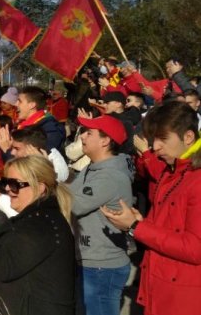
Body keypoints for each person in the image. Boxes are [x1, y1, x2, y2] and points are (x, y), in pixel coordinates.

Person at [101, 101, 201, 315]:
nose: (155, 147)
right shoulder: (172, 170)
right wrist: (140, 223)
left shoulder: (196, 179)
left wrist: (137, 226)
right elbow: (169, 228)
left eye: (163, 139)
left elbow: (195, 248)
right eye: (153, 139)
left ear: (188, 137)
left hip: (182, 298)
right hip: (160, 287)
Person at [0, 155, 75, 315]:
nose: (7, 188)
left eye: (14, 184)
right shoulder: (37, 217)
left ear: (39, 188)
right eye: (7, 182)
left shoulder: (40, 226)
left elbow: (2, 265)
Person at [67, 115, 133, 315]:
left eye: (89, 133)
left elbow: (72, 205)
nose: (82, 137)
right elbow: (69, 194)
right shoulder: (93, 167)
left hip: (101, 266)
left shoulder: (110, 176)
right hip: (91, 260)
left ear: (105, 141)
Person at [16, 86, 65, 152]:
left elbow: (37, 160)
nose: (16, 104)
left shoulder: (49, 129)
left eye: (19, 101)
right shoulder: (24, 124)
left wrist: (6, 149)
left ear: (32, 105)